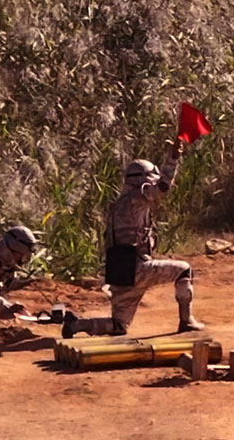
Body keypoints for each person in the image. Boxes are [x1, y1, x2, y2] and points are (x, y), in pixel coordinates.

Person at [63, 144, 202, 337]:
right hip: (137, 269)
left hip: (120, 272)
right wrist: (172, 159)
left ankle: (77, 325)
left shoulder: (119, 204)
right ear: (142, 180)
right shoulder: (136, 198)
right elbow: (163, 186)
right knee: (184, 270)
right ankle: (186, 321)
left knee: (119, 325)